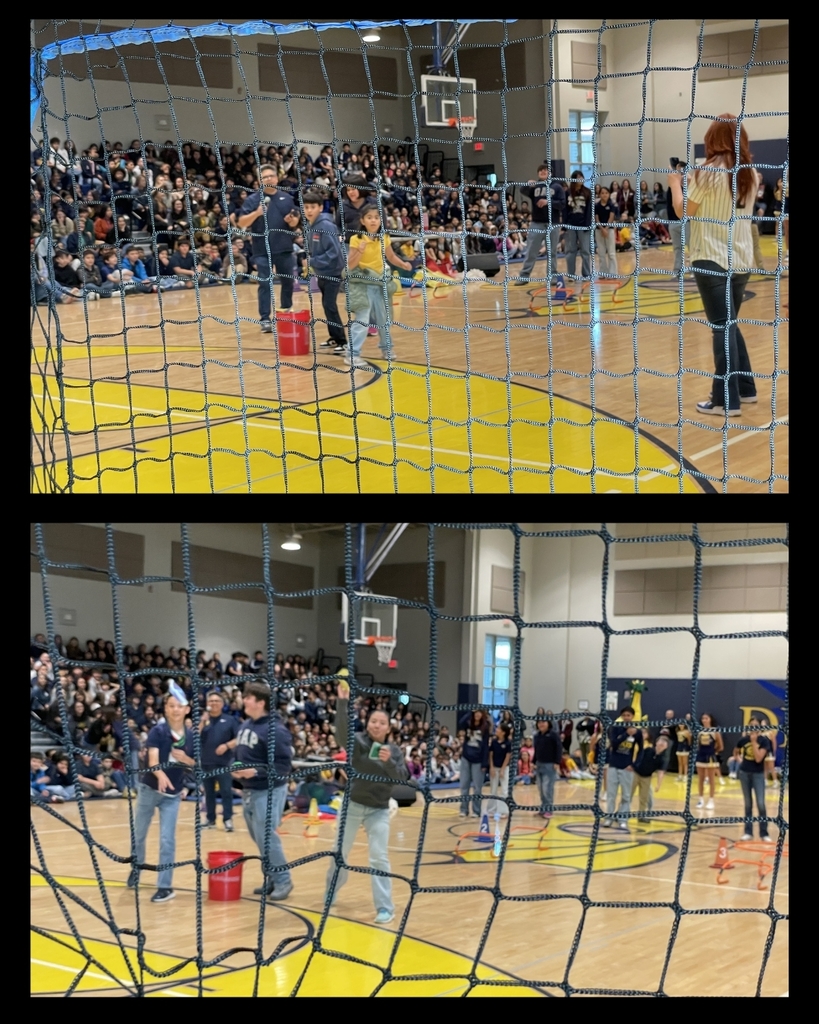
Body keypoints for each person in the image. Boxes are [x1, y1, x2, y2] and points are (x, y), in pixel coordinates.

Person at [667, 114, 758, 416]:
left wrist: (674, 186)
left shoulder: (706, 172)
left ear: (712, 138)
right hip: (741, 260)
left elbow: (683, 213)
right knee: (729, 323)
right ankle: (746, 389)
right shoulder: (751, 173)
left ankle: (724, 400)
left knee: (721, 326)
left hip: (711, 257)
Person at [325, 676, 409, 925]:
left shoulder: (394, 751)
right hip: (351, 805)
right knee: (338, 853)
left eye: (381, 722)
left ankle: (385, 908)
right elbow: (341, 735)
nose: (376, 725)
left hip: (378, 811)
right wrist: (342, 704)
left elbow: (402, 779)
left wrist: (389, 762)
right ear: (368, 723)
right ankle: (332, 891)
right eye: (373, 721)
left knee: (379, 858)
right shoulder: (359, 742)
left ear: (388, 727)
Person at [128, 687, 196, 903]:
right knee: (138, 834)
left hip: (172, 796)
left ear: (187, 709)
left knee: (167, 840)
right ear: (165, 709)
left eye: (179, 706)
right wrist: (159, 775)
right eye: (171, 706)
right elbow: (152, 760)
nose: (175, 710)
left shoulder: (192, 737)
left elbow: (197, 765)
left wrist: (185, 759)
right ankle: (136, 867)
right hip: (149, 790)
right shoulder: (158, 731)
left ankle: (165, 886)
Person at [232, 681, 294, 901]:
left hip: (269, 790)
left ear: (260, 702)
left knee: (267, 837)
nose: (244, 700)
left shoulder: (276, 730)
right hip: (250, 791)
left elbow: (283, 767)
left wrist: (256, 772)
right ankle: (271, 878)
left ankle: (283, 880)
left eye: (248, 697)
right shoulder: (245, 725)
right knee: (259, 838)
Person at [345, 204, 413, 368]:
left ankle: (386, 349)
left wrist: (403, 264)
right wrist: (359, 251)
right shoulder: (356, 239)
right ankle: (352, 354)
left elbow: (390, 255)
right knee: (362, 319)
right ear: (363, 220)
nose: (373, 221)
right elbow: (350, 265)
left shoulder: (384, 237)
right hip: (362, 284)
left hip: (380, 283)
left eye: (376, 217)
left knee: (383, 319)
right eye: (369, 217)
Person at [237, 165, 301, 334]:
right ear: (259, 181)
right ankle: (265, 319)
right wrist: (257, 213)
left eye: (271, 176)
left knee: (288, 282)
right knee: (265, 283)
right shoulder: (252, 200)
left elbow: (295, 223)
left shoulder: (287, 198)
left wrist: (291, 221)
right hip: (261, 249)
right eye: (265, 177)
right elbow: (242, 222)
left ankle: (285, 312)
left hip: (285, 248)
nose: (269, 179)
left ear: (277, 178)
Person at [302, 191, 348, 353]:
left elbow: (334, 253)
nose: (309, 210)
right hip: (321, 271)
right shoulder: (310, 225)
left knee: (330, 305)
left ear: (320, 207)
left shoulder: (326, 226)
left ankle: (343, 341)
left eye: (313, 207)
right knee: (326, 305)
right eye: (306, 207)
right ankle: (334, 337)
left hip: (333, 272)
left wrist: (312, 261)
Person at [514, 163, 565, 285]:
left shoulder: (557, 187)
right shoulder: (535, 186)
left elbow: (562, 204)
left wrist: (548, 202)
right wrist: (528, 184)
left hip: (553, 223)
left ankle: (552, 275)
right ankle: (524, 276)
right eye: (540, 170)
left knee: (552, 251)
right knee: (531, 250)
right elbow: (522, 191)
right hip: (537, 223)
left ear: (550, 173)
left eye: (545, 170)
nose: (543, 172)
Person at [199, 690, 239, 832]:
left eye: (217, 701)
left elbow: (238, 738)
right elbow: (194, 736)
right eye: (211, 701)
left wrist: (227, 745)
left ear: (222, 704)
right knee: (208, 793)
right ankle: (210, 819)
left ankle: (227, 819)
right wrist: (202, 721)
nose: (214, 704)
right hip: (206, 763)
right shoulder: (203, 720)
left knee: (226, 792)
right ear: (207, 704)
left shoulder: (230, 720)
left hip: (224, 763)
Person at [602, 706, 642, 831]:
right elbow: (613, 743)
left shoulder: (638, 732)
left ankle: (623, 819)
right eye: (624, 715)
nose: (626, 717)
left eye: (628, 715)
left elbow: (641, 750)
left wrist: (635, 765)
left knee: (626, 795)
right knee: (611, 794)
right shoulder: (615, 728)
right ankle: (609, 817)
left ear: (632, 717)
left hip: (627, 768)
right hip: (613, 765)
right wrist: (626, 734)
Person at [734, 717, 772, 841]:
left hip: (758, 774)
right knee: (748, 804)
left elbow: (758, 759)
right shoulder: (743, 740)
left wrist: (754, 742)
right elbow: (736, 751)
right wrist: (740, 760)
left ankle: (764, 833)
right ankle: (748, 832)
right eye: (751, 726)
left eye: (756, 726)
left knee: (761, 803)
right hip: (744, 773)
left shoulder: (764, 741)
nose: (753, 728)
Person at [457, 709, 491, 818]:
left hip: (478, 760)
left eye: (479, 712)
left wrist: (485, 763)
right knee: (464, 785)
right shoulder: (468, 723)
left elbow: (486, 746)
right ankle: (464, 809)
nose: (477, 714)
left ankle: (476, 811)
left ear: (482, 714)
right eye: (475, 712)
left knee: (477, 788)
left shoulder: (485, 727)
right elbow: (460, 722)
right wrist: (469, 712)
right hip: (466, 758)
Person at [631, 731, 669, 823]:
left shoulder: (663, 759)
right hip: (636, 774)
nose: (661, 745)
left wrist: (658, 785)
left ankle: (641, 816)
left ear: (666, 747)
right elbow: (637, 758)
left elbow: (661, 772)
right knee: (628, 795)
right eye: (660, 743)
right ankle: (619, 813)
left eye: (663, 744)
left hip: (647, 777)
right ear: (656, 743)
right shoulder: (648, 750)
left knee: (643, 798)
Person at [564, 171, 593, 282]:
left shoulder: (587, 192)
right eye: (577, 177)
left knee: (585, 250)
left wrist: (587, 225)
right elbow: (565, 210)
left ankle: (586, 274)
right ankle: (571, 275)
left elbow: (589, 210)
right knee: (571, 250)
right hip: (571, 225)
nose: (579, 179)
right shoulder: (568, 193)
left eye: (581, 177)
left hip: (584, 225)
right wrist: (565, 225)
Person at [533, 714, 562, 820]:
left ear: (548, 723)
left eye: (543, 722)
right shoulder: (537, 736)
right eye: (539, 722)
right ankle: (543, 808)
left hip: (549, 765)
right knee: (540, 788)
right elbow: (536, 750)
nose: (541, 724)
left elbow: (559, 748)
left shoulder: (553, 735)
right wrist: (533, 762)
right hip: (539, 764)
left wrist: (557, 762)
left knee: (547, 788)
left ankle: (549, 809)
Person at [694, 712, 723, 810]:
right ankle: (701, 799)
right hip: (700, 756)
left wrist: (713, 752)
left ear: (710, 719)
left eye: (706, 718)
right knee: (701, 779)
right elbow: (697, 745)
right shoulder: (699, 731)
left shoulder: (715, 731)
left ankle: (711, 800)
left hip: (710, 757)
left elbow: (720, 746)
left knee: (711, 779)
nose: (704, 720)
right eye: (703, 718)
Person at [487, 722, 512, 818]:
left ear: (503, 732)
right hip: (494, 767)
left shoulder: (508, 743)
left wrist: (502, 769)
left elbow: (508, 756)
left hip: (504, 768)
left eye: (498, 729)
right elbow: (491, 755)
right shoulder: (493, 742)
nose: (496, 730)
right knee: (493, 789)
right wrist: (492, 767)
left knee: (504, 790)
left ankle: (504, 811)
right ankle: (491, 810)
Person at [594, 186, 618, 278]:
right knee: (601, 253)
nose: (604, 195)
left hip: (610, 230)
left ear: (609, 194)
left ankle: (613, 273)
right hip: (599, 230)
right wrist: (602, 228)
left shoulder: (612, 205)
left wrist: (606, 228)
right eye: (602, 193)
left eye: (606, 193)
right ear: (599, 194)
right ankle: (603, 272)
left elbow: (611, 217)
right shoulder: (596, 205)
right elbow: (597, 219)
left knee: (611, 253)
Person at [675, 715, 692, 781]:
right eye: (680, 724)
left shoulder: (687, 732)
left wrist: (688, 747)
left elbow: (689, 740)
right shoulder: (678, 732)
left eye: (682, 724)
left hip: (685, 748)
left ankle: (685, 775)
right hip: (679, 747)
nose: (680, 725)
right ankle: (680, 775)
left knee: (685, 763)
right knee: (680, 763)